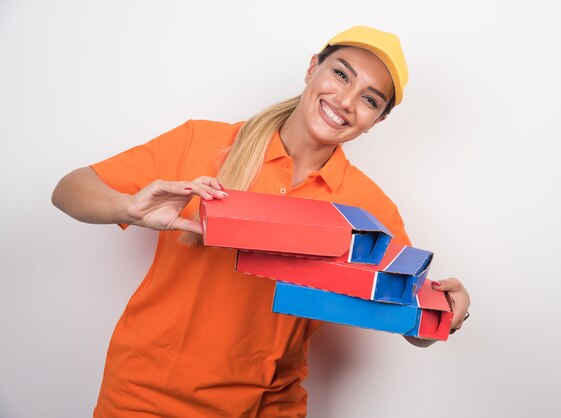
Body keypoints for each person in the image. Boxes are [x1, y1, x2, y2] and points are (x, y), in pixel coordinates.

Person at [52, 26, 470, 417]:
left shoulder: (370, 208)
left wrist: (445, 314)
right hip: (144, 397)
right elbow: (70, 188)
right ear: (312, 68)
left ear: (376, 121)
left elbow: (409, 321)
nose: (345, 100)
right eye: (341, 74)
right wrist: (127, 208)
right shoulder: (202, 141)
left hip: (266, 407)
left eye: (369, 99)